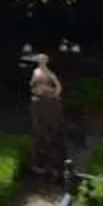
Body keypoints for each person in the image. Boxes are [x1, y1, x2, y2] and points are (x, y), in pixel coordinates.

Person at [28, 53, 69, 185]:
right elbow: (33, 85)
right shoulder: (36, 72)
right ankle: (42, 166)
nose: (42, 61)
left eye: (44, 59)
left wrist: (54, 93)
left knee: (52, 134)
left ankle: (54, 169)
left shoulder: (50, 73)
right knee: (41, 134)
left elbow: (57, 85)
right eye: (40, 59)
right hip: (40, 104)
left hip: (50, 105)